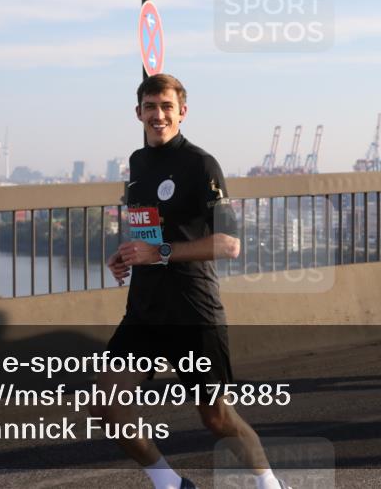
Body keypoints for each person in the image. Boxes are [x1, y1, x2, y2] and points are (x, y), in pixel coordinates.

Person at [92, 73, 288, 489]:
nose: (158, 115)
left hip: (191, 307)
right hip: (145, 310)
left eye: (166, 106)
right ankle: (171, 484)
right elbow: (151, 230)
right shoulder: (138, 163)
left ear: (182, 111)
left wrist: (159, 253)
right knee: (105, 402)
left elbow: (229, 244)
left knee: (216, 418)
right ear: (138, 113)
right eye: (150, 107)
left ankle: (269, 484)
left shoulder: (200, 164)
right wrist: (128, 252)